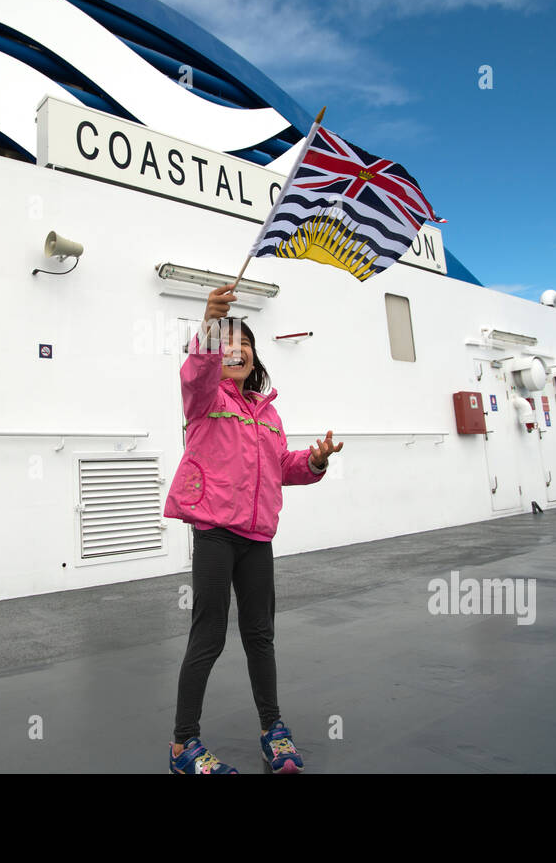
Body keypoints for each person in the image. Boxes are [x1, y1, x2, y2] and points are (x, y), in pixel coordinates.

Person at [164, 281, 342, 774]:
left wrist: (317, 459)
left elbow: (284, 466)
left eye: (245, 343)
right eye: (228, 344)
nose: (236, 349)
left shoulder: (269, 413)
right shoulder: (204, 399)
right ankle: (183, 746)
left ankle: (274, 729)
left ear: (255, 358)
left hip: (258, 537)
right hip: (216, 533)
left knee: (260, 635)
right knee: (209, 635)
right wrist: (209, 324)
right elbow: (195, 372)